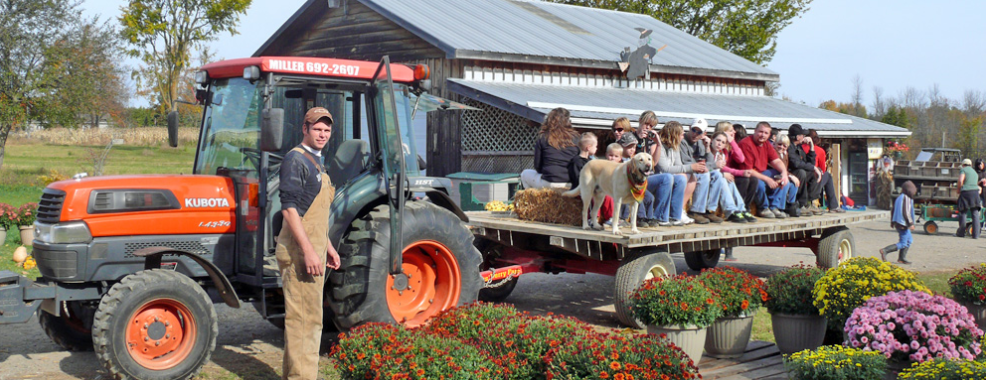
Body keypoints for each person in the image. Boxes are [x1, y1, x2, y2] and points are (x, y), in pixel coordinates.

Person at [276, 107, 342, 380]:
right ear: (304, 129)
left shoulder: (317, 160)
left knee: (306, 321)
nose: (322, 134)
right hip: (299, 253)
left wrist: (327, 247)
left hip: (312, 248)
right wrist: (308, 251)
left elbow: (312, 215)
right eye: (317, 129)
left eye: (326, 130)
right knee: (305, 323)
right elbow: (289, 210)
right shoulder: (296, 160)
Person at [738, 122, 799, 219]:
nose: (763, 135)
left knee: (782, 178)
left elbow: (777, 161)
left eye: (766, 133)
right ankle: (763, 208)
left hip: (761, 172)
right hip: (746, 174)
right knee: (759, 183)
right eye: (760, 132)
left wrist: (784, 173)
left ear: (769, 135)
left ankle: (775, 207)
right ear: (755, 131)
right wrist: (767, 179)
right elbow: (748, 170)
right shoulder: (746, 144)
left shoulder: (766, 145)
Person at [656, 121, 703, 225]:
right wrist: (690, 167)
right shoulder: (660, 146)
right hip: (658, 177)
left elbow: (679, 165)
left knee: (688, 177)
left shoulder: (675, 146)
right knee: (677, 176)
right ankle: (668, 214)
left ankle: (678, 212)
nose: (683, 136)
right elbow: (664, 169)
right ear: (674, 134)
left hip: (669, 176)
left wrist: (692, 169)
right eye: (681, 134)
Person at [521, 107, 580, 189]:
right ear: (567, 121)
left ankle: (534, 201)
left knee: (525, 174)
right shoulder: (576, 138)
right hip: (571, 184)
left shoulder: (544, 138)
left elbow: (537, 166)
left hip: (549, 182)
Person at [681, 118, 725, 224]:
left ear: (704, 133)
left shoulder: (701, 143)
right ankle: (695, 211)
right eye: (693, 130)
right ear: (689, 128)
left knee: (717, 175)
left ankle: (709, 210)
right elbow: (686, 162)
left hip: (697, 169)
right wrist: (707, 166)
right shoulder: (683, 141)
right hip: (686, 170)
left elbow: (709, 164)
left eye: (699, 132)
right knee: (705, 176)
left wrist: (707, 149)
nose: (695, 134)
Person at [710, 131, 756, 223]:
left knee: (729, 179)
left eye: (723, 142)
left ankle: (741, 208)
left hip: (717, 177)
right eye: (718, 140)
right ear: (712, 140)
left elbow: (740, 159)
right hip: (708, 177)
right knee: (722, 178)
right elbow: (703, 168)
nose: (719, 144)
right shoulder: (707, 151)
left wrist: (732, 141)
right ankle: (730, 211)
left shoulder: (721, 154)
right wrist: (723, 173)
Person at [804, 129, 844, 213]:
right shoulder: (819, 150)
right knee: (828, 175)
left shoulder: (798, 148)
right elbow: (823, 169)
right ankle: (833, 206)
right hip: (813, 183)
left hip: (800, 181)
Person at [786, 124, 823, 216]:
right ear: (798, 137)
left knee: (815, 171)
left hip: (797, 173)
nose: (805, 137)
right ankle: (801, 204)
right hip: (789, 173)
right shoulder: (789, 146)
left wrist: (811, 147)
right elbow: (796, 163)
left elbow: (810, 164)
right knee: (802, 172)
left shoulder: (799, 147)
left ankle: (809, 203)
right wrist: (813, 167)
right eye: (803, 135)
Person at [880, 181, 916, 264]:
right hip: (903, 223)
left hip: (898, 222)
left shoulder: (899, 197)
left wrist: (892, 221)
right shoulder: (906, 198)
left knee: (909, 240)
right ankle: (885, 250)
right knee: (903, 243)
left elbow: (893, 210)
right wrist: (910, 224)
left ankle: (901, 258)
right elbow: (905, 212)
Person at [956, 158, 981, 239]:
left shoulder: (963, 170)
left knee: (963, 212)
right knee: (975, 213)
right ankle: (976, 234)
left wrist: (959, 189)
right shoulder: (975, 172)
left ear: (963, 165)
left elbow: (960, 180)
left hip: (966, 192)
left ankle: (961, 232)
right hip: (975, 193)